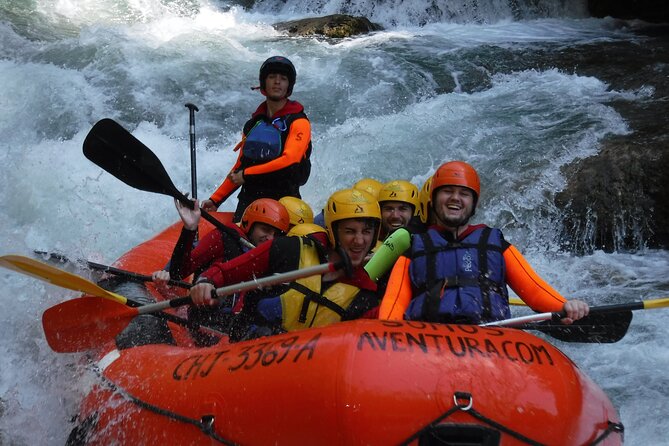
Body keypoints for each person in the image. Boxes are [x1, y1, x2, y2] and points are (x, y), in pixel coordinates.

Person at [381, 161, 589, 325]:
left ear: (474, 204)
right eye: (447, 191)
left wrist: (565, 305)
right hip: (430, 342)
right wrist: (386, 334)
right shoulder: (415, 249)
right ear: (433, 200)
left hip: (488, 341)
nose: (455, 198)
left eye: (463, 193)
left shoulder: (494, 244)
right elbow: (394, 303)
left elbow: (533, 290)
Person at [188, 188, 383, 340]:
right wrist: (207, 281)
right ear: (333, 230)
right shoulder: (289, 250)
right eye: (350, 231)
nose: (359, 241)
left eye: (366, 232)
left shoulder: (365, 296)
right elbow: (228, 272)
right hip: (249, 353)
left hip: (305, 375)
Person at [201, 56, 312, 221]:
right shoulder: (253, 124)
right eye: (272, 77)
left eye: (283, 78)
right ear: (263, 83)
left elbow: (290, 160)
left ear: (289, 86)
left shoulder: (299, 121)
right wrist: (215, 199)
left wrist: (247, 174)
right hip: (250, 200)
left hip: (284, 201)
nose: (277, 82)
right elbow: (240, 166)